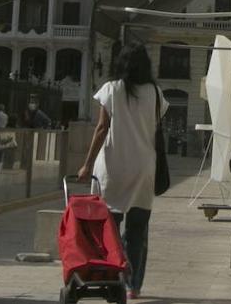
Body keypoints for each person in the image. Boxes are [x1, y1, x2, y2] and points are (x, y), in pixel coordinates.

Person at [77, 44, 166, 299]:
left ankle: (112, 277)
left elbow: (102, 128)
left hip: (113, 168)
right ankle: (133, 286)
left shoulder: (111, 90)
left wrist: (86, 164)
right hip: (143, 169)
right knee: (137, 231)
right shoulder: (157, 94)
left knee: (110, 229)